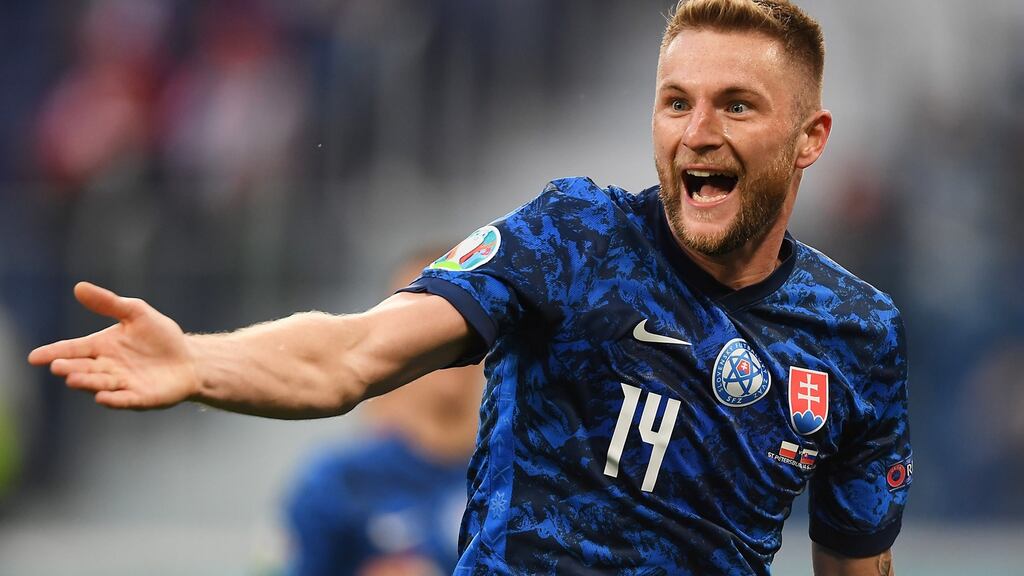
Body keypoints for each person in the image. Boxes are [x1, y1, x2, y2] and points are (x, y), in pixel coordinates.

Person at [28, 1, 911, 574]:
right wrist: (198, 359)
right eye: (676, 102)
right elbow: (354, 353)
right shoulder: (574, 235)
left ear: (811, 136)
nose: (697, 131)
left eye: (738, 105)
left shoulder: (856, 336)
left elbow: (856, 567)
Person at [283, 249, 483, 576]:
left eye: (466, 312)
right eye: (422, 315)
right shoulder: (340, 481)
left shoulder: (520, 479)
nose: (446, 332)